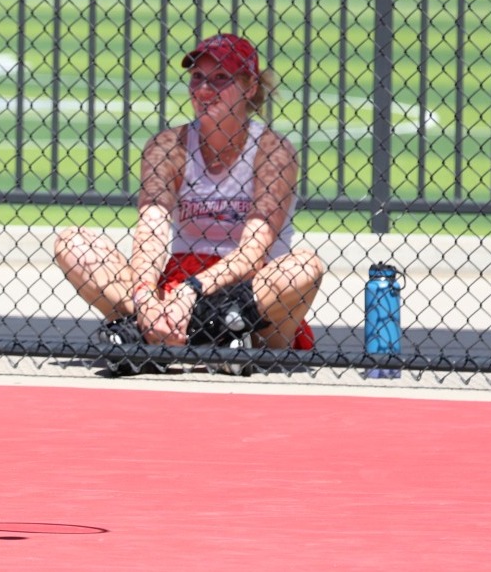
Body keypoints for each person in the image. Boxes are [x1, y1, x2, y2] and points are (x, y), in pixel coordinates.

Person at [51, 33, 324, 376]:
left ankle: (191, 338)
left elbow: (254, 252)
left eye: (221, 78)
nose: (204, 89)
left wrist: (193, 292)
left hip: (249, 294)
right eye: (197, 77)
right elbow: (150, 230)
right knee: (73, 242)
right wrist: (146, 296)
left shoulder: (273, 151)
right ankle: (165, 332)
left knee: (303, 268)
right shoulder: (167, 146)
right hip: (177, 284)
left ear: (249, 87)